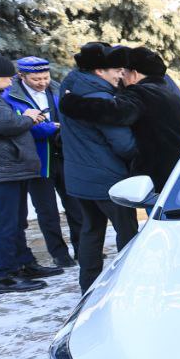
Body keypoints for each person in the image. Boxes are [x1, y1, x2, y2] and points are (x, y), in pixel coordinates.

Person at [0, 53, 60, 293]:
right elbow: (4, 124)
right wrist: (28, 118)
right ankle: (6, 277)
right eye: (7, 79)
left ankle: (24, 264)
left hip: (7, 169)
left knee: (15, 221)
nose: (11, 83)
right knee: (3, 223)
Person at [57, 42, 139, 293]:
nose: (120, 75)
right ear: (99, 71)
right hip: (109, 179)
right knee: (128, 234)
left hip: (79, 178)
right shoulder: (101, 99)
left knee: (90, 232)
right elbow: (124, 145)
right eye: (115, 69)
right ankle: (128, 285)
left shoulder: (69, 87)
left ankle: (88, 287)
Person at [59, 47, 180, 192]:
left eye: (125, 72)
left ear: (134, 74)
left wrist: (71, 102)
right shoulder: (168, 93)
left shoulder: (142, 92)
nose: (122, 77)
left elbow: (113, 111)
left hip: (159, 175)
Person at [5, 56, 79, 267]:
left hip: (64, 156)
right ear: (22, 76)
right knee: (47, 211)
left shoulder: (58, 89)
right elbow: (20, 125)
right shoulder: (10, 96)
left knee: (75, 205)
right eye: (36, 78)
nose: (42, 82)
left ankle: (82, 248)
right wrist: (51, 127)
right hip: (37, 160)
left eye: (45, 77)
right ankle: (59, 253)